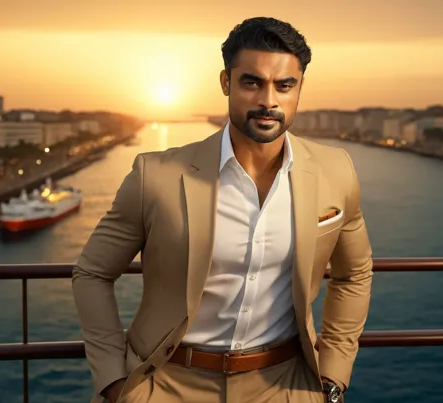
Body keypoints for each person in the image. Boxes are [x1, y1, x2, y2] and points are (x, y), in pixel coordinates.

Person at [72, 16, 373, 403]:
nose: (269, 101)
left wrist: (332, 374)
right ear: (226, 83)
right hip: (166, 383)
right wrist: (115, 381)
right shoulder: (156, 175)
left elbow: (355, 274)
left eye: (285, 86)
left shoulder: (336, 171)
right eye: (252, 82)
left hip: (286, 385)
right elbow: (93, 272)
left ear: (300, 88)